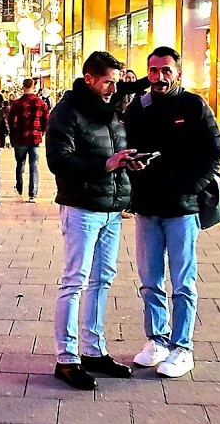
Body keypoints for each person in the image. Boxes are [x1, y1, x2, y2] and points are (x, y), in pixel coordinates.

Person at [45, 51, 147, 390]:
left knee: (103, 278)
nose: (113, 88)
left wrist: (127, 163)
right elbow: (58, 160)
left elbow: (114, 152)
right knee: (74, 280)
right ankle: (67, 358)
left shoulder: (112, 111)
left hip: (113, 208)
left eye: (116, 82)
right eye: (108, 81)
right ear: (89, 78)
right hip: (82, 207)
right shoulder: (67, 112)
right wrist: (106, 165)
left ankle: (93, 350)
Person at [123, 46, 220, 378]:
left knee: (183, 282)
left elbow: (215, 149)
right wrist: (132, 166)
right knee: (150, 281)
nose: (159, 77)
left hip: (181, 208)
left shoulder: (193, 105)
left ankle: (183, 348)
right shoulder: (138, 107)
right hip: (147, 207)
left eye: (166, 70)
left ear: (177, 72)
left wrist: (192, 186)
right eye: (153, 71)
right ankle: (157, 341)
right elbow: (124, 146)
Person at [7, 77, 50, 203]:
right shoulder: (41, 103)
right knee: (34, 166)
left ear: (23, 87)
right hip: (35, 138)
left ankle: (19, 187)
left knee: (20, 164)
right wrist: (40, 132)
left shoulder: (16, 103)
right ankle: (32, 194)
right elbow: (47, 120)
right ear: (34, 87)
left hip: (20, 138)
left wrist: (13, 137)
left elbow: (12, 122)